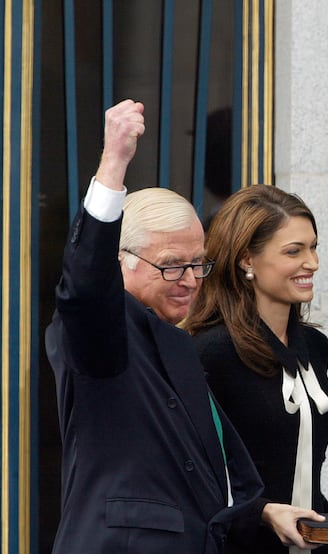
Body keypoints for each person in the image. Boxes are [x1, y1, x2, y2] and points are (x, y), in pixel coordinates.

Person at [44, 99, 264, 553]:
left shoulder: (175, 339)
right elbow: (84, 289)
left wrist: (264, 512)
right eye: (170, 266)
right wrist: (114, 162)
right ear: (119, 263)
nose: (188, 280)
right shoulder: (102, 330)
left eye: (197, 264)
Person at [184, 185, 328, 554]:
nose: (313, 263)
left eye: (313, 247)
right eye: (294, 251)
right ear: (246, 260)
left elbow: (301, 478)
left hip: (307, 542)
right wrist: (263, 513)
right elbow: (196, 475)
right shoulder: (210, 352)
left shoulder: (314, 347)